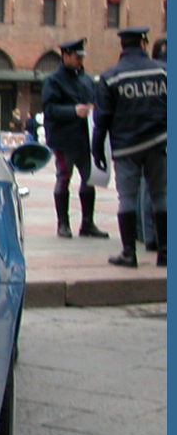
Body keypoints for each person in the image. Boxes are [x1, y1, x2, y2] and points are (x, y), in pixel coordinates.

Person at [92, 26, 167, 268]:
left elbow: (101, 117)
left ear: (122, 47)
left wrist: (97, 149)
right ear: (143, 43)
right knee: (161, 197)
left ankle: (129, 253)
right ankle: (165, 252)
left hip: (126, 148)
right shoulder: (163, 71)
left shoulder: (111, 76)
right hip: (158, 143)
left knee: (127, 198)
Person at [41, 38, 109, 239]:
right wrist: (73, 111)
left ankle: (87, 223)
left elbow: (95, 101)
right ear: (66, 56)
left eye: (81, 57)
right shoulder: (53, 81)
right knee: (64, 178)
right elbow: (50, 109)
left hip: (86, 138)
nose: (80, 61)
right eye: (77, 57)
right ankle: (63, 224)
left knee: (90, 180)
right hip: (65, 139)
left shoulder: (86, 80)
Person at [137, 36, 167, 251]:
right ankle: (153, 237)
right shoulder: (161, 73)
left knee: (144, 189)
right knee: (154, 190)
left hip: (140, 137)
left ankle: (145, 233)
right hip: (157, 137)